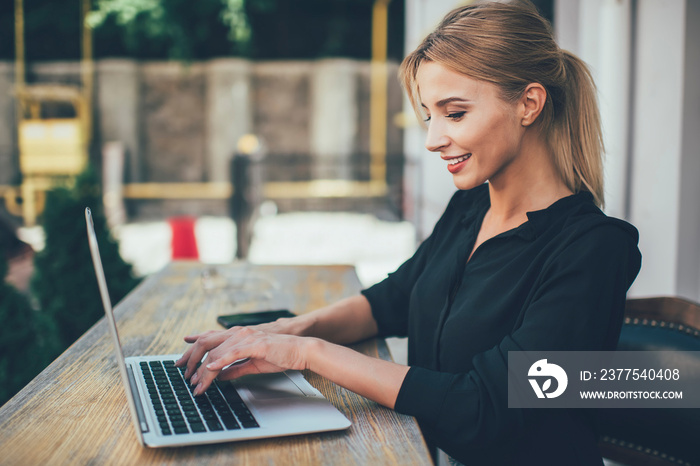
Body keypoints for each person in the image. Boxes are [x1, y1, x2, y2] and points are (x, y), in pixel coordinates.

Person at [176, 2, 642, 464]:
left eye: (454, 113)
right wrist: (283, 331)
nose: (432, 138)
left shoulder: (594, 250)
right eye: (428, 115)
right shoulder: (471, 206)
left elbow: (484, 408)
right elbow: (394, 299)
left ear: (529, 103)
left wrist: (306, 352)